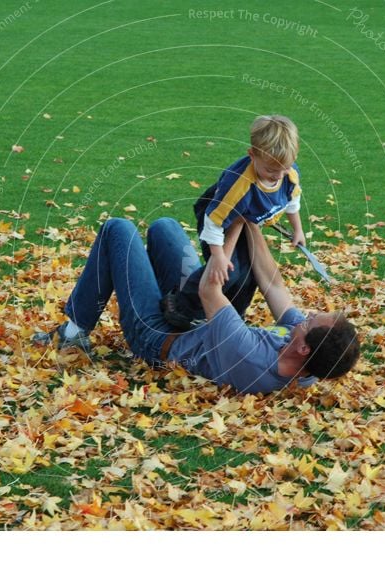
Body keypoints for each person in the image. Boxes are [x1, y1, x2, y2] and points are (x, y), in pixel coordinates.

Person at [34, 216, 359, 394]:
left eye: (314, 320)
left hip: (156, 337)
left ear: (305, 348)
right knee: (164, 228)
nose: (310, 314)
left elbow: (209, 289)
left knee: (118, 230)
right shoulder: (309, 360)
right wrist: (253, 220)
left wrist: (232, 222)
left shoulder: (248, 354)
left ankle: (73, 332)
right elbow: (272, 282)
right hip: (190, 316)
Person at [162, 114, 306, 330]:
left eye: (284, 168)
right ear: (252, 155)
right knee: (227, 271)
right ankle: (180, 304)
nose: (278, 175)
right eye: (270, 170)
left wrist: (298, 230)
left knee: (250, 275)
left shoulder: (289, 174)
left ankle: (234, 317)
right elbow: (213, 221)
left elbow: (292, 200)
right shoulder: (238, 186)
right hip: (217, 217)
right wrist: (218, 256)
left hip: (242, 219)